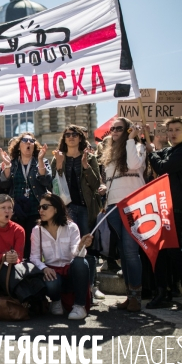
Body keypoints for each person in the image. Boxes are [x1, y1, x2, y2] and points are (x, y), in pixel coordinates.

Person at [143, 117, 182, 312]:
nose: (173, 133)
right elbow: (156, 156)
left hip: (174, 207)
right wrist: (148, 141)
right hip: (161, 207)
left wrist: (151, 153)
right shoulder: (168, 151)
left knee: (174, 251)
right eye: (170, 130)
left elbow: (162, 167)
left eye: (177, 129)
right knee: (161, 252)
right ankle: (162, 292)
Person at [51, 125, 104, 300]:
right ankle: (72, 287)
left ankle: (89, 287)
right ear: (64, 138)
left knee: (85, 248)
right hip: (65, 208)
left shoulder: (90, 157)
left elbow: (96, 185)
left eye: (75, 134)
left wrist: (86, 167)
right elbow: (54, 185)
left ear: (81, 138)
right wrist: (59, 166)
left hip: (83, 208)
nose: (71, 137)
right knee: (67, 247)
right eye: (68, 135)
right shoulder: (58, 157)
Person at [101, 117, 145, 312]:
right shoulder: (109, 153)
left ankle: (136, 296)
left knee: (130, 251)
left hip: (133, 205)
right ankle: (129, 295)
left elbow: (134, 165)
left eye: (119, 128)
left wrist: (131, 140)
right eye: (113, 129)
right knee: (123, 253)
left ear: (128, 130)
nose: (115, 132)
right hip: (112, 206)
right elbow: (110, 180)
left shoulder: (138, 147)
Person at [30, 193, 93, 320]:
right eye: (39, 207)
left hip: (70, 269)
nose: (41, 210)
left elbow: (76, 254)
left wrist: (81, 245)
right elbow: (34, 257)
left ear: (57, 208)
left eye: (45, 207)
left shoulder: (71, 227)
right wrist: (44, 268)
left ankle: (79, 306)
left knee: (81, 263)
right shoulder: (37, 230)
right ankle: (56, 300)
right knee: (51, 282)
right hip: (52, 271)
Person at [0, 132, 51, 260]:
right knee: (18, 242)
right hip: (16, 210)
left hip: (36, 209)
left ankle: (34, 268)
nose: (28, 143)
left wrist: (40, 161)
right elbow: (3, 184)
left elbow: (47, 181)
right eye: (25, 140)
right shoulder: (13, 163)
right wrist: (7, 167)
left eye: (32, 141)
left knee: (34, 243)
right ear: (18, 146)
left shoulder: (42, 161)